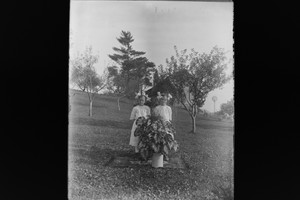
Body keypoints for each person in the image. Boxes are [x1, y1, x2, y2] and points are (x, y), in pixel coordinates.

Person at [152, 92, 174, 161]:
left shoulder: (168, 108)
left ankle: (165, 154)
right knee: (159, 139)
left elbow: (169, 118)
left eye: (165, 100)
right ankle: (158, 153)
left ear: (167, 100)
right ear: (159, 100)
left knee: (167, 139)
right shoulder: (157, 108)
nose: (163, 101)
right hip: (159, 125)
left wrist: (169, 125)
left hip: (166, 125)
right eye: (162, 99)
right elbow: (154, 117)